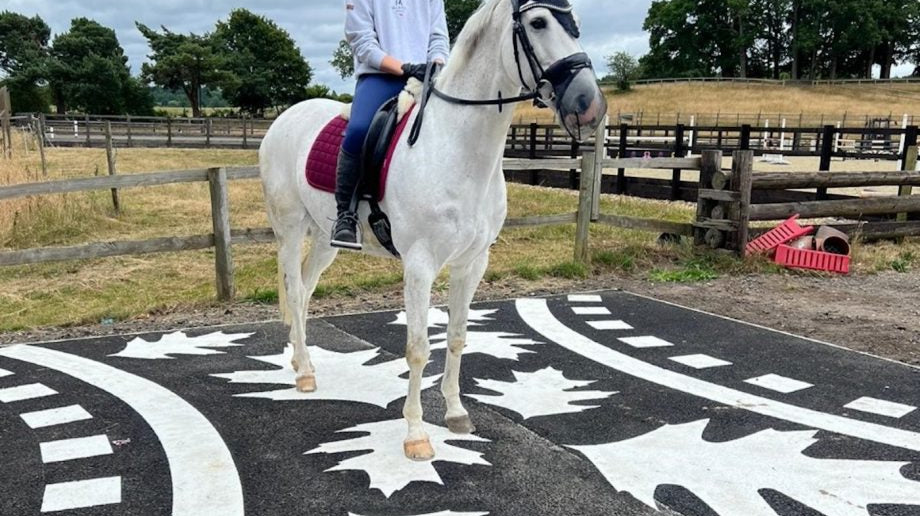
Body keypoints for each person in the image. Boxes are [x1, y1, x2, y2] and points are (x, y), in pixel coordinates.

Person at [331, 0, 450, 250]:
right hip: (379, 76)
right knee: (359, 130)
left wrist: (436, 63)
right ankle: (346, 215)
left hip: (426, 76)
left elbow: (438, 37)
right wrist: (404, 67)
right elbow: (361, 41)